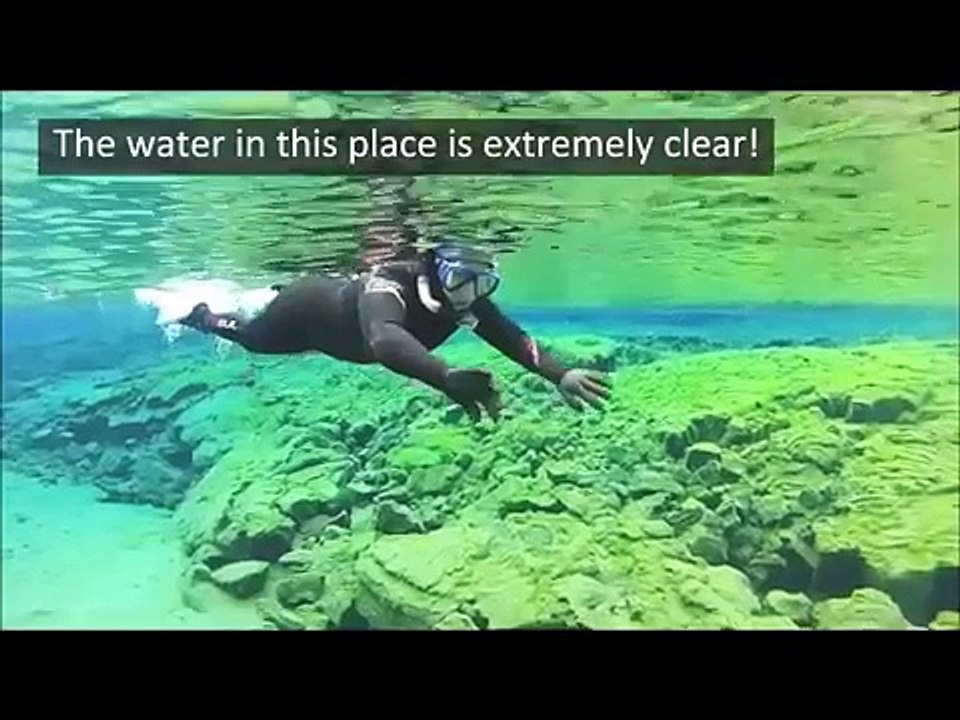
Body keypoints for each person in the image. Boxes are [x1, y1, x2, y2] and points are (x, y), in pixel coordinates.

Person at [177, 243, 611, 421]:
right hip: (308, 311)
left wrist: (560, 375)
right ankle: (205, 316)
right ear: (438, 272)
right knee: (255, 340)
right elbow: (384, 340)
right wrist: (445, 376)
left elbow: (508, 336)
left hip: (343, 335)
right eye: (463, 281)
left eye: (484, 284)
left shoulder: (465, 298)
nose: (471, 296)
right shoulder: (389, 285)